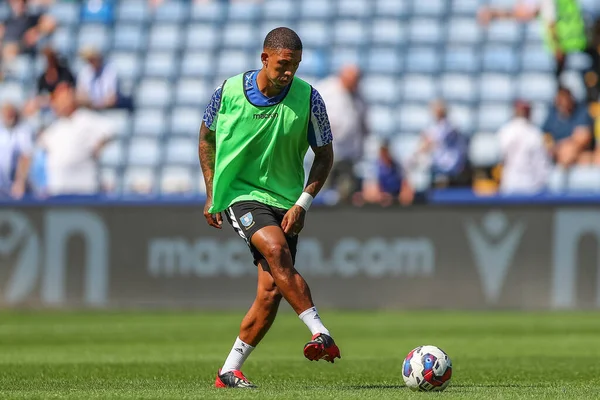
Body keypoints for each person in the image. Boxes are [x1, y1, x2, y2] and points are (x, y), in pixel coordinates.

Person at [199, 27, 340, 389]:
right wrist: (212, 190)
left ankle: (228, 371)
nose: (289, 72)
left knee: (271, 291)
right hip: (240, 194)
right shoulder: (227, 92)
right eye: (283, 64)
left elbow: (325, 155)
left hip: (286, 201)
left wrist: (303, 202)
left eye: (295, 65)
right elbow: (206, 138)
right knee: (276, 250)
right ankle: (320, 331)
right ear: (265, 58)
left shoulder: (309, 99)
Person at [478, 0, 600, 102]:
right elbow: (526, 13)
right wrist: (495, 14)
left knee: (577, 87)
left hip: (568, 48)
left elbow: (549, 21)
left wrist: (557, 47)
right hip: (579, 43)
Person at [37, 83, 114, 195]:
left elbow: (110, 128)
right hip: (58, 190)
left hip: (83, 190)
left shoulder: (85, 118)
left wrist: (99, 146)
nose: (59, 104)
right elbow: (42, 144)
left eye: (63, 100)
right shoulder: (56, 127)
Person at [316, 64, 368, 203]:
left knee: (346, 193)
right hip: (326, 151)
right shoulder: (326, 90)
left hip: (349, 154)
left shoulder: (358, 95)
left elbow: (363, 122)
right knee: (321, 189)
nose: (355, 83)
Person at [497, 100, 551, 194]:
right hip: (530, 186)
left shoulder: (504, 131)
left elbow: (500, 158)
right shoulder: (535, 133)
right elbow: (542, 164)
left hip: (510, 184)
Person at [413, 100, 469, 187]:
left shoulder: (450, 126)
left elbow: (433, 142)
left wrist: (422, 147)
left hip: (449, 163)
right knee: (419, 159)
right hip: (438, 161)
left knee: (420, 157)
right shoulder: (434, 126)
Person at [0, 0, 56, 74]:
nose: (19, 4)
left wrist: (37, 30)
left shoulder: (31, 18)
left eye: (22, 1)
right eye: (15, 2)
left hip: (29, 56)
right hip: (10, 58)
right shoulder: (6, 21)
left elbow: (51, 23)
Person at [543, 86, 594, 166]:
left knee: (585, 158)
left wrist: (566, 147)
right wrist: (556, 148)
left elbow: (583, 137)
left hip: (575, 152)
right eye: (560, 99)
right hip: (557, 153)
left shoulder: (581, 112)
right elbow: (546, 136)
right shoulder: (552, 113)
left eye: (565, 98)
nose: (563, 102)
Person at [76, 46, 133, 111]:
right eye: (89, 59)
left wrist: (93, 104)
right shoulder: (84, 72)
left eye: (92, 58)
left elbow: (111, 99)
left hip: (109, 111)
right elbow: (80, 97)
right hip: (90, 111)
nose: (91, 62)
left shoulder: (110, 71)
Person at [359, 141, 414, 207]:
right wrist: (383, 197)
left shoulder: (398, 166)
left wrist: (396, 199)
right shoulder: (374, 167)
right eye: (383, 152)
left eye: (387, 152)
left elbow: (407, 192)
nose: (385, 154)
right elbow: (371, 193)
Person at [0, 103, 34, 199]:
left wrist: (20, 182)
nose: (8, 115)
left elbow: (25, 156)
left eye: (10, 112)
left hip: (17, 186)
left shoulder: (23, 131)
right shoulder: (1, 130)